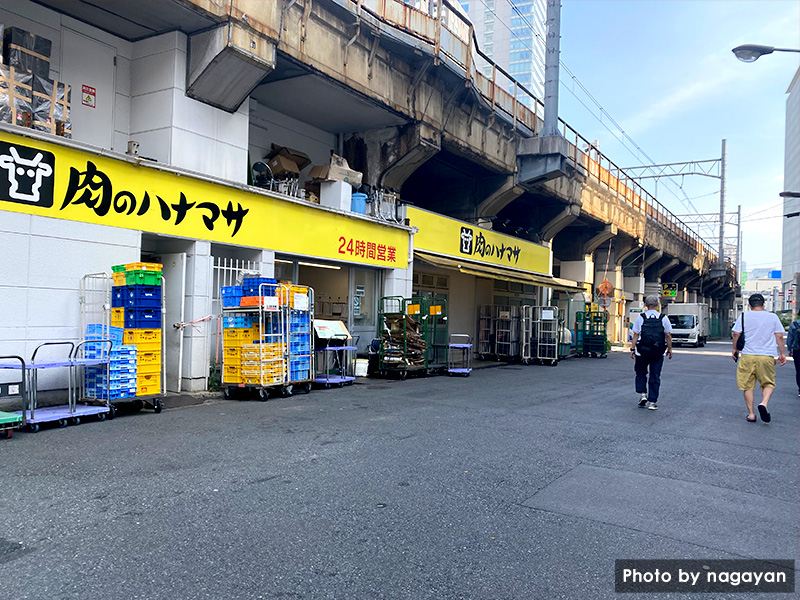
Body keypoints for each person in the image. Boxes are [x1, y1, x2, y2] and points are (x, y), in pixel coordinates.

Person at [731, 293, 787, 423]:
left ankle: (751, 414)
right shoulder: (772, 317)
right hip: (766, 356)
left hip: (748, 356)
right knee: (768, 383)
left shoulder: (744, 316)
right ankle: (764, 403)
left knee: (748, 386)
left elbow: (735, 334)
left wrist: (735, 349)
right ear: (763, 304)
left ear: (749, 305)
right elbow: (779, 336)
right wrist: (782, 353)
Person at [630, 295, 672, 410]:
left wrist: (633, 349)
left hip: (642, 351)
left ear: (645, 305)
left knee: (641, 372)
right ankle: (652, 402)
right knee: (655, 375)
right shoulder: (663, 318)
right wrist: (670, 349)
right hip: (658, 352)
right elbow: (667, 335)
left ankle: (643, 394)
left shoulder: (641, 317)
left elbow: (636, 334)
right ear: (658, 305)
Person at [786, 313, 800, 398]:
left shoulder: (794, 324)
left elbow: (790, 338)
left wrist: (789, 349)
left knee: (798, 370)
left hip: (797, 350)